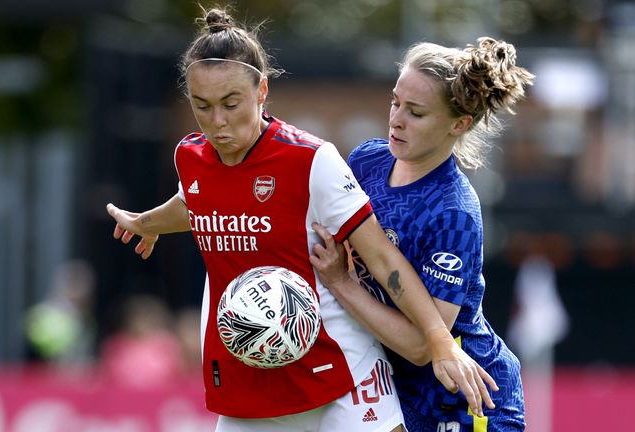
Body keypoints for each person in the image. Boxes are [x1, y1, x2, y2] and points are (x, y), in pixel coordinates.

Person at [105, 5, 495, 431]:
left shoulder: (311, 160)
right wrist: (147, 223)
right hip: (246, 373)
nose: (217, 121)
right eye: (202, 105)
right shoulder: (191, 157)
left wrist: (440, 343)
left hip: (340, 369)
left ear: (261, 91)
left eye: (231, 103)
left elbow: (382, 258)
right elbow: (196, 203)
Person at [309, 38, 534, 431]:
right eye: (395, 102)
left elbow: (419, 346)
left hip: (467, 402)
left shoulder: (454, 213)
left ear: (459, 124)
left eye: (415, 112)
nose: (396, 119)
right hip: (394, 391)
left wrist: (342, 284)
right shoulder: (367, 161)